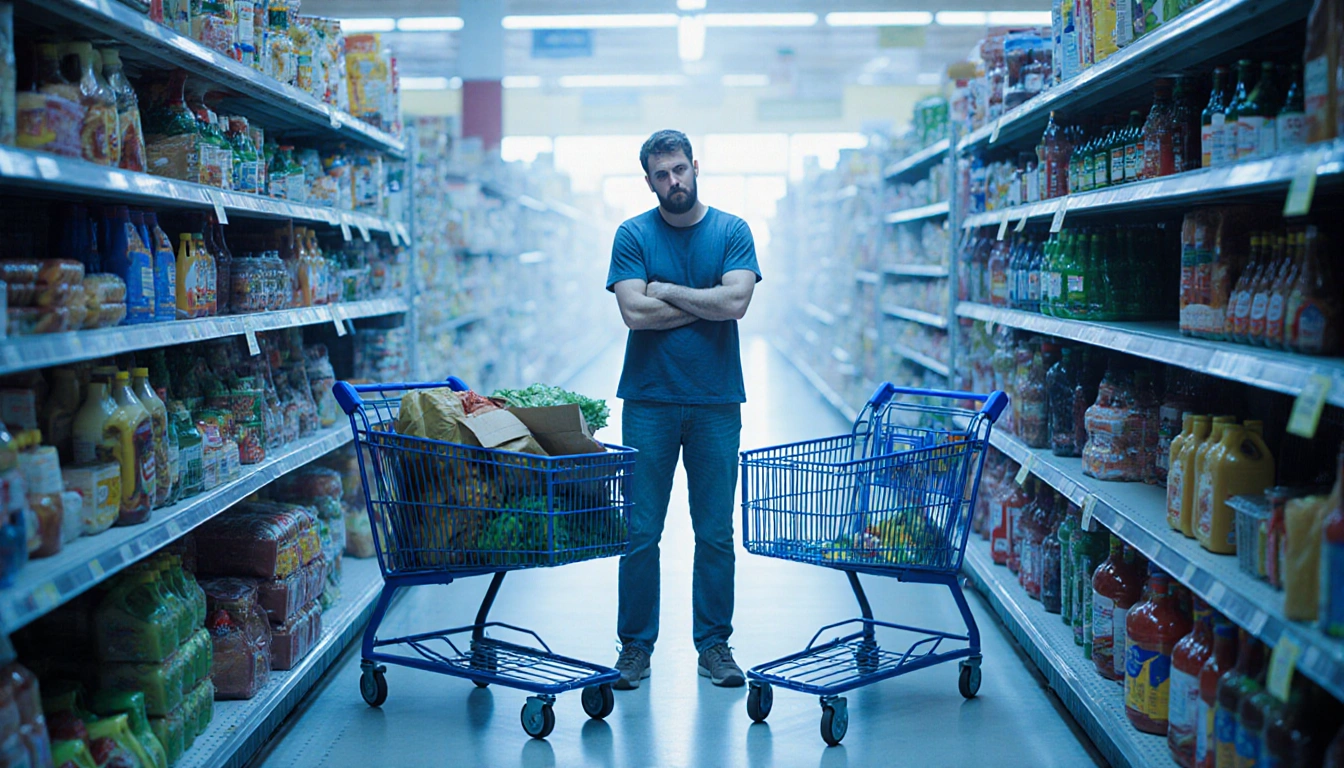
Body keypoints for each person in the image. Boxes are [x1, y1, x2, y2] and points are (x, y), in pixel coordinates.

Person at [606, 129, 761, 690]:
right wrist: (706, 303)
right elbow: (634, 316)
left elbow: (738, 301)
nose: (674, 181)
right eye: (661, 174)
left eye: (680, 169)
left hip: (717, 401)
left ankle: (714, 645)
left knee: (715, 531)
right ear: (648, 180)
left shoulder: (731, 231)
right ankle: (634, 649)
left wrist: (666, 289)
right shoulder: (631, 234)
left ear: (696, 166)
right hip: (648, 401)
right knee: (640, 531)